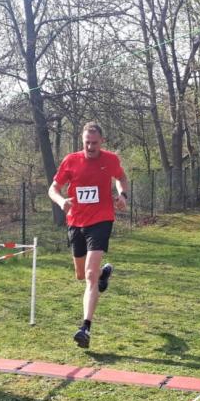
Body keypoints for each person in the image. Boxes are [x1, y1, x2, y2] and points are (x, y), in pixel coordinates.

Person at [48, 121, 129, 348]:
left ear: (102, 141)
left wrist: (123, 196)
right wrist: (61, 201)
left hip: (101, 220)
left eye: (94, 143)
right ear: (82, 141)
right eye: (87, 143)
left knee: (90, 274)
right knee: (81, 275)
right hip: (76, 221)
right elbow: (53, 188)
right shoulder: (71, 161)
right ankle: (104, 274)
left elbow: (122, 178)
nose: (91, 147)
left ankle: (85, 328)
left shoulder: (110, 160)